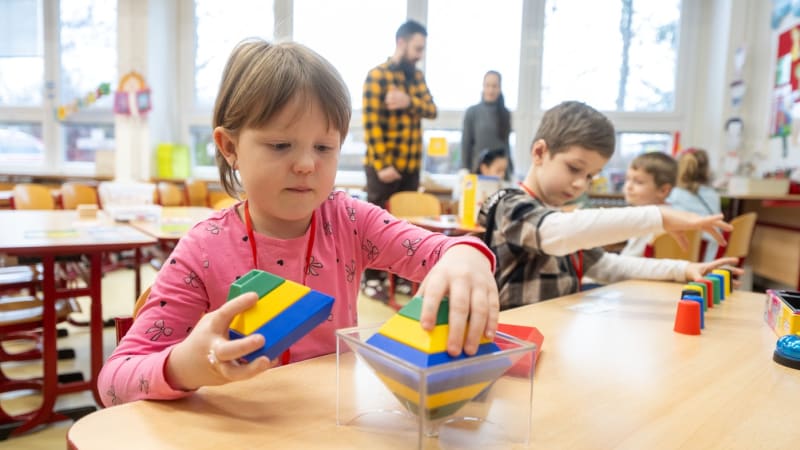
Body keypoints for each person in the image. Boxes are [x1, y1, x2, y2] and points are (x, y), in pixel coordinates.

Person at [98, 39, 498, 406]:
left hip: (334, 424)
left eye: (324, 147)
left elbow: (445, 251)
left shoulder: (351, 221)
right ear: (230, 147)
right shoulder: (204, 249)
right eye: (280, 145)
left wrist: (466, 256)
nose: (307, 164)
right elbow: (114, 381)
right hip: (238, 432)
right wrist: (184, 366)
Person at [477, 101, 740, 309]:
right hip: (514, 345)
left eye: (590, 176)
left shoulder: (561, 217)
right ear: (539, 153)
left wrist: (684, 269)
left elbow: (609, 266)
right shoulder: (508, 205)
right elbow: (554, 233)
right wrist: (657, 215)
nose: (581, 184)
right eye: (574, 168)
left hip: (555, 338)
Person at [361, 19, 438, 301]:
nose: (420, 54)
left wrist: (408, 101)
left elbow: (431, 109)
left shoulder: (416, 78)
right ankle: (372, 280)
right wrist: (383, 165)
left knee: (405, 226)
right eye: (417, 48)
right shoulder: (377, 76)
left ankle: (402, 278)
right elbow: (371, 124)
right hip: (383, 167)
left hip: (410, 166)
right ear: (401, 43)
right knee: (375, 226)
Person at [667, 148, 722, 261]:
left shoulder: (675, 194)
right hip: (709, 255)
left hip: (681, 255)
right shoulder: (713, 195)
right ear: (707, 169)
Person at [620, 152, 678, 257]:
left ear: (663, 190)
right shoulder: (674, 214)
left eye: (639, 182)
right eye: (627, 179)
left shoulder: (647, 218)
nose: (629, 186)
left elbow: (629, 259)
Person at [462, 70, 513, 179]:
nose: (491, 90)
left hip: (500, 173)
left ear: (499, 88)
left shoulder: (505, 114)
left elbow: (506, 146)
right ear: (483, 86)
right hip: (477, 171)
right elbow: (466, 143)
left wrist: (511, 171)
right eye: (488, 85)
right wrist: (464, 169)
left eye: (495, 86)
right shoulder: (472, 112)